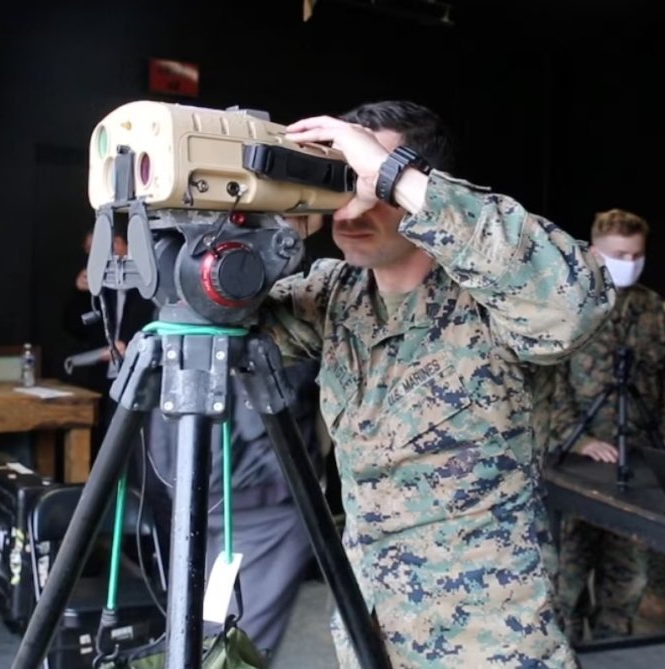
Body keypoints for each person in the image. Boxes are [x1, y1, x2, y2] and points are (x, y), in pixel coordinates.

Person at [264, 100, 615, 668]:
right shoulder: (335, 294)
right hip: (370, 622)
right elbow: (220, 327)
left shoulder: (490, 298)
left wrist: (392, 173)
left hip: (487, 635)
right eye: (340, 183)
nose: (353, 206)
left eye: (369, 182)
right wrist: (270, 230)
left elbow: (571, 306)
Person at [551, 208, 665, 642]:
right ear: (595, 252)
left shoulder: (654, 311)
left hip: (636, 465)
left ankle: (613, 650)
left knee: (626, 581)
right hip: (575, 463)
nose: (629, 262)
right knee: (566, 581)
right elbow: (549, 382)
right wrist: (580, 439)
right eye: (619, 254)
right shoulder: (567, 303)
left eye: (636, 255)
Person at [142, 359, 322, 653]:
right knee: (236, 647)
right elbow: (269, 402)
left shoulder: (180, 344)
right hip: (260, 501)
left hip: (198, 489)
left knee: (210, 630)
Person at [62, 229, 152, 452]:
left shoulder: (148, 281)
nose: (93, 258)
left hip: (140, 377)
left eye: (97, 250)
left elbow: (157, 322)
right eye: (89, 251)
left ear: (120, 245)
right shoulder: (99, 286)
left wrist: (130, 345)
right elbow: (74, 327)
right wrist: (80, 293)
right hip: (102, 378)